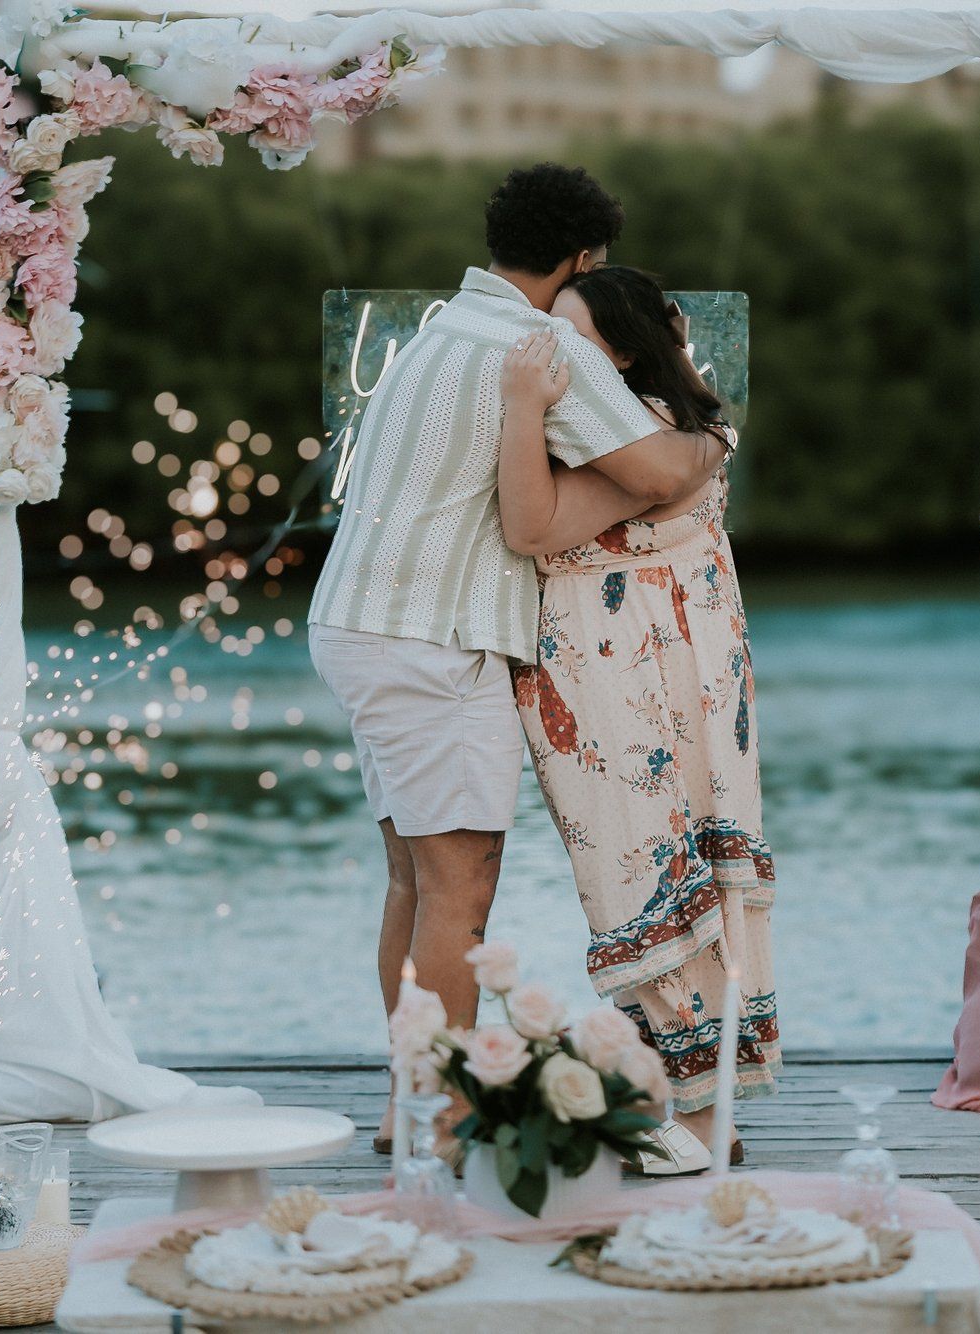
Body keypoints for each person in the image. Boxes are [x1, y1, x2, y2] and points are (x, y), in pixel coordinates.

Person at [308, 165, 728, 1152]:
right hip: (432, 637)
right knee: (461, 881)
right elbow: (662, 469)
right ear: (582, 260)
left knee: (414, 880)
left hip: (357, 624)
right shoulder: (538, 348)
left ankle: (410, 1100)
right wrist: (713, 437)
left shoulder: (436, 332)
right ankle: (443, 1119)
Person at [496, 266, 778, 1174]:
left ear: (621, 348)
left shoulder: (650, 435)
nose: (553, 352)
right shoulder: (665, 429)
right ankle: (703, 1109)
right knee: (665, 867)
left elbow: (531, 526)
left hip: (633, 683)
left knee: (644, 872)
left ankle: (692, 1118)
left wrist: (519, 407)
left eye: (573, 337)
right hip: (658, 672)